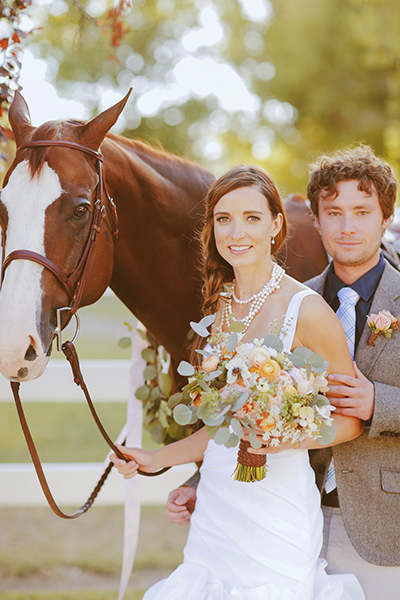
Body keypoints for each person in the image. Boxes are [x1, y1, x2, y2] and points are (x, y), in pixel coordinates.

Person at [111, 165, 364, 599]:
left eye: (252, 217)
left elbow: (352, 421)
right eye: (224, 219)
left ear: (275, 225)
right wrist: (157, 458)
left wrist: (285, 437)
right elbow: (222, 430)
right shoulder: (220, 308)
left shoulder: (307, 309)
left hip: (278, 512)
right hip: (217, 507)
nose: (236, 232)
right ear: (211, 228)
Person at [305, 145, 400, 600]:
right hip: (294, 522)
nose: (347, 227)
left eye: (362, 211)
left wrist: (378, 403)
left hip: (387, 528)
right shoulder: (291, 305)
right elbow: (254, 402)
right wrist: (197, 481)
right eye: (334, 212)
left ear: (385, 217)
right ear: (316, 220)